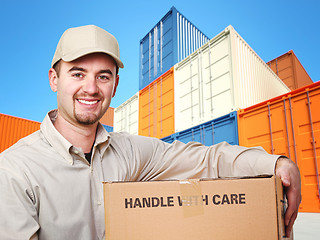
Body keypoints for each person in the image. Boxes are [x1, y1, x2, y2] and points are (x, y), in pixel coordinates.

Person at [0, 25, 301, 239]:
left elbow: (204, 160)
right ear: (54, 79)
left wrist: (276, 164)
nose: (90, 88)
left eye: (103, 76)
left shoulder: (129, 152)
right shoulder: (14, 170)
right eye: (77, 74)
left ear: (115, 85)